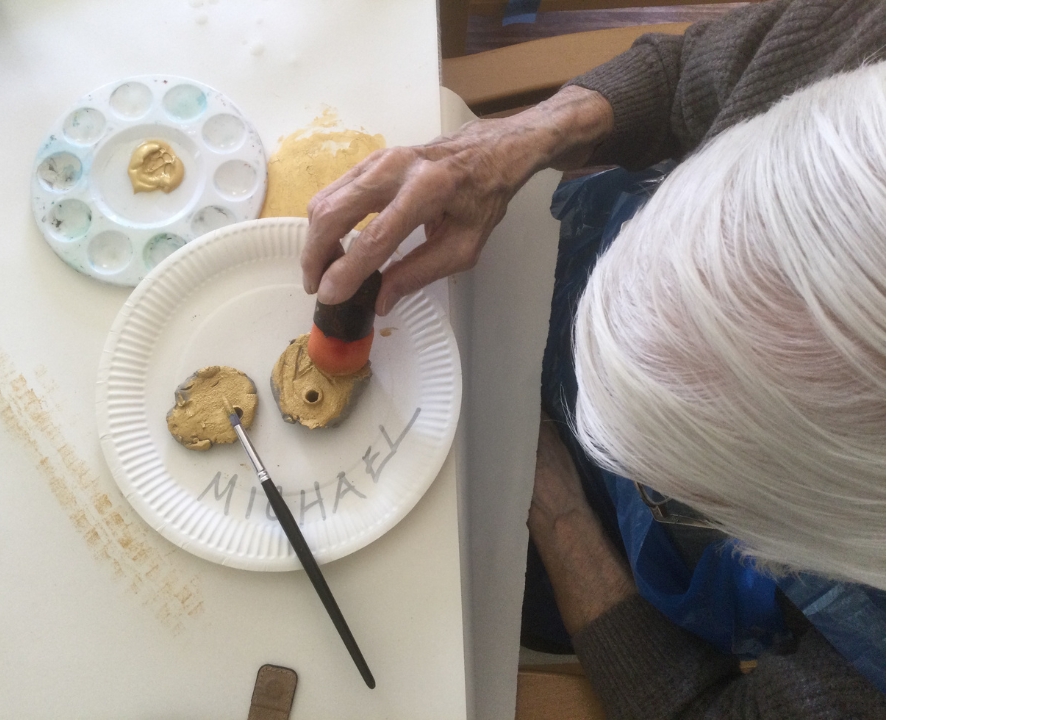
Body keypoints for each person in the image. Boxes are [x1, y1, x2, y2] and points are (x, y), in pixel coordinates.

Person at [302, 0, 886, 716]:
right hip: (552, 260)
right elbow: (687, 77)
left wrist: (552, 510)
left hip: (593, 552)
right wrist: (519, 140)